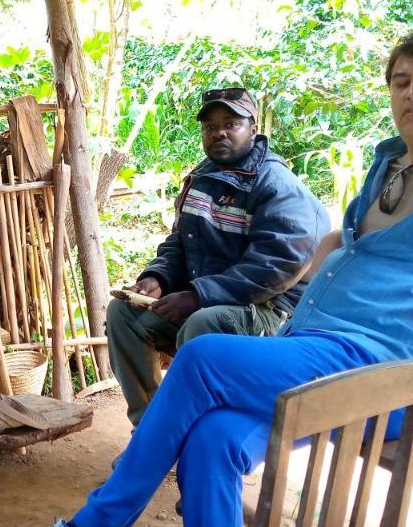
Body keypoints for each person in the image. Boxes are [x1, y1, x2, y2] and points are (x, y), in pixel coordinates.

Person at [0, 30, 413, 527]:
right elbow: (361, 239)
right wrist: (340, 243)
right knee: (214, 438)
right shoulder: (390, 163)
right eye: (401, 81)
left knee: (202, 358)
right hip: (314, 349)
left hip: (386, 373)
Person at [109, 86, 329, 431]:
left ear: (253, 130)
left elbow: (276, 267)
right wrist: (159, 278)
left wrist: (198, 295)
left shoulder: (276, 185)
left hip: (270, 311)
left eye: (231, 123)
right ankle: (151, 430)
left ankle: (191, 430)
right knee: (123, 312)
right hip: (211, 298)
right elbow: (181, 242)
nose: (219, 133)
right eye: (210, 127)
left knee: (203, 324)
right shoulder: (205, 177)